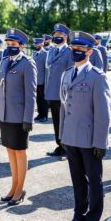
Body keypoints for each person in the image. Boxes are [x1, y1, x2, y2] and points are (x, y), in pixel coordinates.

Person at [60, 31, 111, 221]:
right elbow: (63, 108)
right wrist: (62, 135)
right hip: (71, 136)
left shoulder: (97, 77)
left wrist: (101, 142)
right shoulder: (66, 74)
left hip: (89, 139)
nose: (76, 51)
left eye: (81, 49)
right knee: (77, 179)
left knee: (94, 180)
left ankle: (93, 215)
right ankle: (79, 212)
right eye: (74, 48)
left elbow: (103, 113)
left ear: (90, 52)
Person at [0, 28, 37, 206]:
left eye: (14, 44)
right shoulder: (4, 62)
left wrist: (28, 118)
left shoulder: (27, 63)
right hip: (5, 115)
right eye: (8, 44)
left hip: (19, 117)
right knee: (10, 151)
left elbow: (31, 93)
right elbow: (0, 89)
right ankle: (13, 186)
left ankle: (20, 189)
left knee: (20, 151)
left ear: (21, 45)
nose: (10, 47)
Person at [45, 23, 74, 157]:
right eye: (55, 34)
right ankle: (59, 144)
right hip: (52, 92)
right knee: (56, 121)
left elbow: (70, 73)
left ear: (66, 36)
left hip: (63, 93)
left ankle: (67, 147)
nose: (56, 37)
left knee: (65, 121)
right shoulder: (51, 50)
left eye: (59, 35)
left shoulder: (69, 52)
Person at [32, 37, 48, 122]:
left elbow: (47, 69)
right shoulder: (34, 54)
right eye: (35, 44)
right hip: (35, 80)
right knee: (38, 98)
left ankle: (44, 115)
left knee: (43, 99)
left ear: (42, 44)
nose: (36, 45)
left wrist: (46, 81)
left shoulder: (46, 54)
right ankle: (40, 114)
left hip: (43, 80)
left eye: (38, 43)